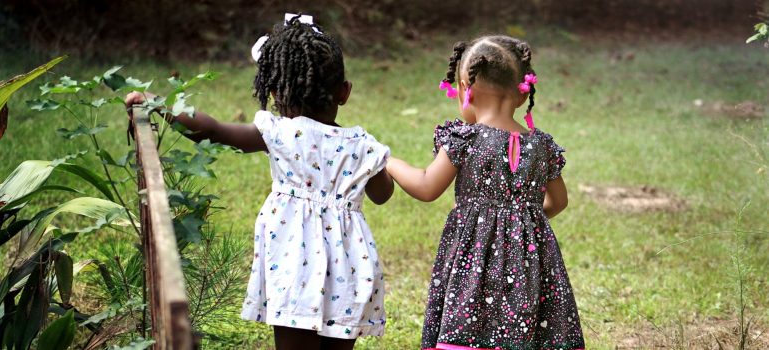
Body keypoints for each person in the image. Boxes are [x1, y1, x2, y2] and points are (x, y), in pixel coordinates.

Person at [125, 14, 394, 350]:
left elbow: (212, 131)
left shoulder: (279, 132)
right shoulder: (361, 144)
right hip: (350, 268)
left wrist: (159, 106)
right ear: (344, 92)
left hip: (295, 262)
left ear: (273, 91)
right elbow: (383, 194)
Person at [386, 35, 585, 350]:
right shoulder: (543, 146)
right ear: (522, 94)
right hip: (530, 266)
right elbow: (558, 202)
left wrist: (388, 161)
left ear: (466, 88)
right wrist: (523, 223)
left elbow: (426, 186)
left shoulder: (466, 140)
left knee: (471, 330)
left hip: (474, 265)